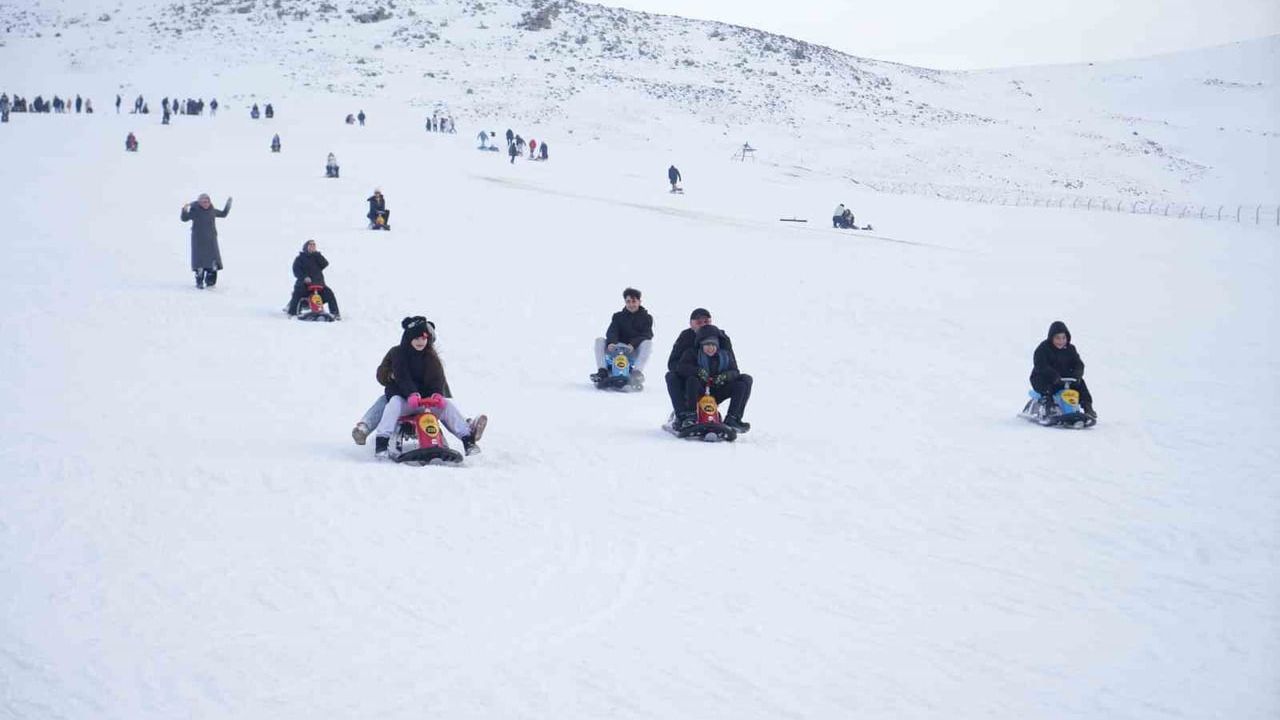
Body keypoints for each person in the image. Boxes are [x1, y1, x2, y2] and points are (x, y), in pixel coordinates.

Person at [369, 316, 487, 458]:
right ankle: (381, 445)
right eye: (417, 338)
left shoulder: (430, 356)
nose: (421, 342)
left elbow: (437, 378)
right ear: (409, 339)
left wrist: (437, 394)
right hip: (405, 401)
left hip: (425, 402)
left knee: (447, 406)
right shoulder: (398, 354)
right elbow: (402, 376)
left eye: (424, 338)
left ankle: (468, 441)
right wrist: (411, 394)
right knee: (393, 404)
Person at [674, 325, 752, 432]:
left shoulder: (725, 356)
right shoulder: (692, 354)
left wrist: (725, 376)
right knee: (692, 380)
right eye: (707, 344)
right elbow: (681, 368)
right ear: (701, 344)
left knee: (742, 384)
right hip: (698, 391)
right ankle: (691, 416)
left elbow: (735, 372)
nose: (710, 348)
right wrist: (697, 371)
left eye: (713, 345)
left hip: (717, 390)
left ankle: (732, 418)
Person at [664, 308, 733, 417]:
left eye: (706, 322)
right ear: (691, 324)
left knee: (744, 380)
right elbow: (672, 364)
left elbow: (732, 366)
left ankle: (733, 418)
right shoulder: (685, 337)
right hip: (691, 382)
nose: (703, 325)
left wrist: (723, 376)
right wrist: (694, 371)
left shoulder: (721, 337)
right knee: (672, 376)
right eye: (699, 322)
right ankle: (683, 414)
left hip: (716, 383)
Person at [1030, 320, 1096, 418]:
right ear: (1051, 338)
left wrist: (1077, 374)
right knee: (1046, 387)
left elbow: (1078, 363)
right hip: (1045, 378)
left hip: (1065, 379)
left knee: (1081, 384)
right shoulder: (1043, 349)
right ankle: (1049, 406)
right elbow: (1041, 365)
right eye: (1057, 338)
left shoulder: (1070, 349)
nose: (1061, 341)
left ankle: (1087, 406)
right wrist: (1053, 375)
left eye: (1063, 338)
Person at [590, 287, 655, 384]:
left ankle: (636, 373)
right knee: (599, 340)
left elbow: (647, 334)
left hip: (633, 350)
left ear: (639, 302)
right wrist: (612, 342)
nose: (631, 304)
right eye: (628, 301)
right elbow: (612, 331)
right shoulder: (618, 316)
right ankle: (602, 371)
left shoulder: (647, 318)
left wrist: (633, 344)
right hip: (616, 348)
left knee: (648, 343)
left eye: (634, 301)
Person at [180, 193, 232, 289]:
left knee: (213, 263)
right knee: (200, 264)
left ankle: (211, 282)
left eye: (208, 201)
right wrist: (184, 210)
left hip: (211, 241)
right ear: (199, 202)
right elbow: (184, 218)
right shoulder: (195, 211)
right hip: (198, 241)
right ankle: (199, 281)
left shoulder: (212, 210)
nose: (206, 203)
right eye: (204, 202)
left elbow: (223, 214)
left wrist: (228, 205)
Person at [285, 240, 341, 319]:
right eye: (310, 245)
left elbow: (325, 264)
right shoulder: (300, 258)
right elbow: (296, 271)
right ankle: (292, 313)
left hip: (319, 285)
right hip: (305, 284)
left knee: (329, 294)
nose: (312, 247)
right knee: (297, 293)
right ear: (306, 247)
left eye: (314, 245)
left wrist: (317, 254)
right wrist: (304, 278)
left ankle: (335, 313)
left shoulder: (317, 257)